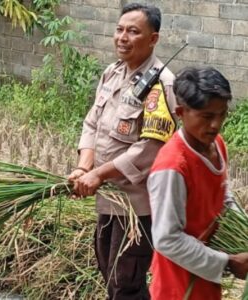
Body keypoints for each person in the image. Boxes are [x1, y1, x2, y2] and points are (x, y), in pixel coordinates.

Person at [68, 3, 177, 299]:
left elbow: (151, 149)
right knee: (109, 273)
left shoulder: (161, 84)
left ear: (153, 38)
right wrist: (83, 167)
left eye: (133, 31)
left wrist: (98, 175)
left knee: (124, 283)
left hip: (136, 207)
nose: (122, 37)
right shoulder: (112, 73)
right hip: (107, 198)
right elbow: (92, 122)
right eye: (119, 30)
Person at [147, 66, 248, 300]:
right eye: (207, 116)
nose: (216, 124)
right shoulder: (172, 167)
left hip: (205, 278)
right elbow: (166, 238)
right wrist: (227, 262)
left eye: (221, 114)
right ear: (181, 112)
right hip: (179, 284)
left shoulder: (217, 145)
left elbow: (223, 199)